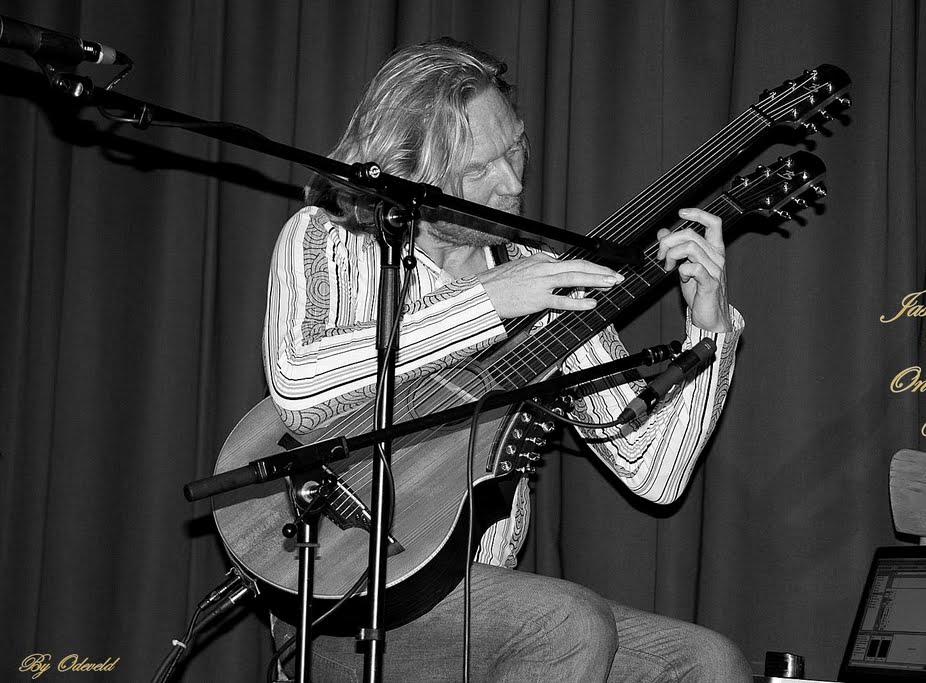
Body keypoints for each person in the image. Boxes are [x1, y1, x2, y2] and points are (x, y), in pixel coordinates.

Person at [263, 37, 749, 682]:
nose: (513, 182)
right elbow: (298, 383)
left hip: (483, 595)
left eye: (515, 147)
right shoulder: (329, 240)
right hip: (341, 588)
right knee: (569, 623)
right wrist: (484, 304)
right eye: (478, 170)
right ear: (407, 170)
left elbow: (652, 473)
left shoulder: (542, 279)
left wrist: (708, 332)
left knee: (704, 663)